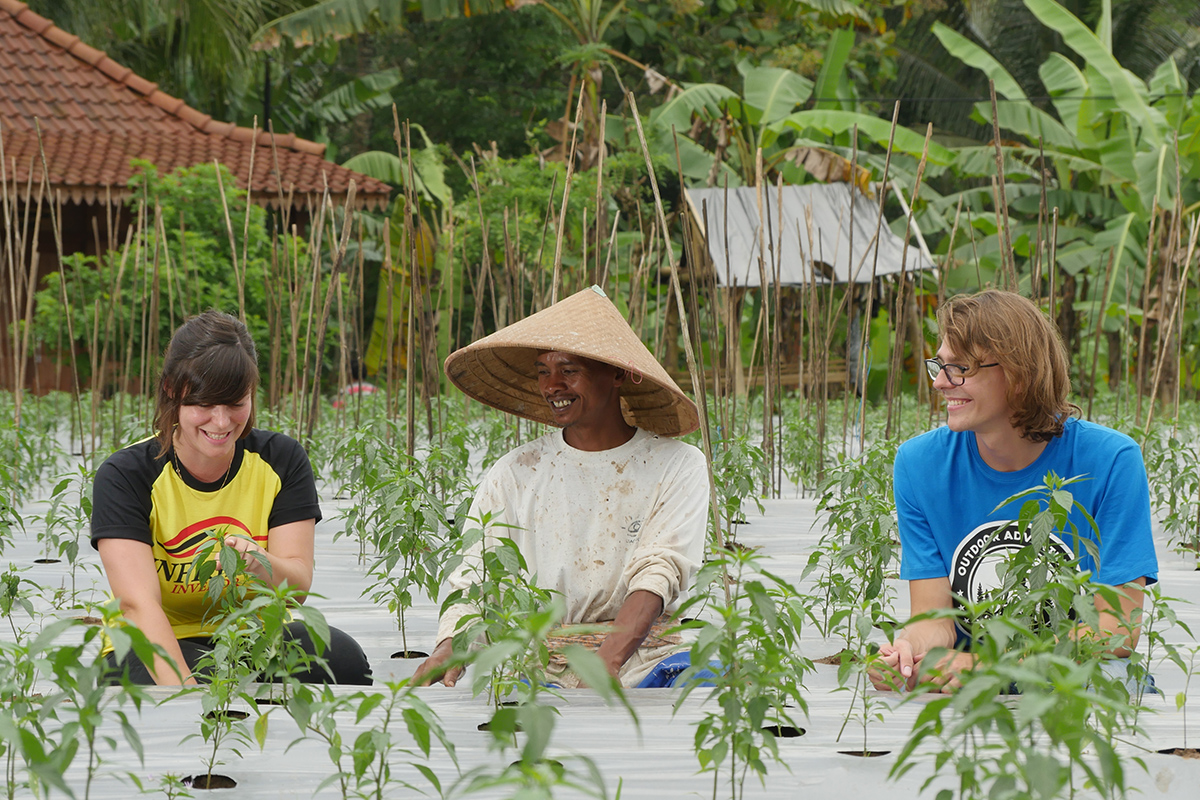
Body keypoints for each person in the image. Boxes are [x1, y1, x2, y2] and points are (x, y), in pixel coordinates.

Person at [413, 286, 710, 689]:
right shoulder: (516, 472)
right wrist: (450, 645)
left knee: (711, 686)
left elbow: (659, 570)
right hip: (544, 664)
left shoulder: (676, 464)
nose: (552, 385)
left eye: (569, 371)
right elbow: (477, 575)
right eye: (542, 372)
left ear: (617, 373)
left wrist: (605, 663)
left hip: (650, 657)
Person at [874, 289, 1158, 693]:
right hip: (967, 684)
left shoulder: (1111, 461)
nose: (939, 382)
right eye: (939, 365)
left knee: (1115, 685)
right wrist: (908, 650)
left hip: (1069, 678)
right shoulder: (919, 465)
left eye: (960, 368)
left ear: (1019, 375)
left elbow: (1116, 628)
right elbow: (935, 620)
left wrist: (994, 667)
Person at [91, 310, 372, 686]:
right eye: (205, 404)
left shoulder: (281, 460)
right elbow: (138, 606)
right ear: (172, 390)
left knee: (344, 661)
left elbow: (296, 589)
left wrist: (260, 562)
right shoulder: (127, 475)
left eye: (236, 403)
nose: (221, 422)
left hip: (251, 636)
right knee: (206, 677)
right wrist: (187, 697)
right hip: (154, 640)